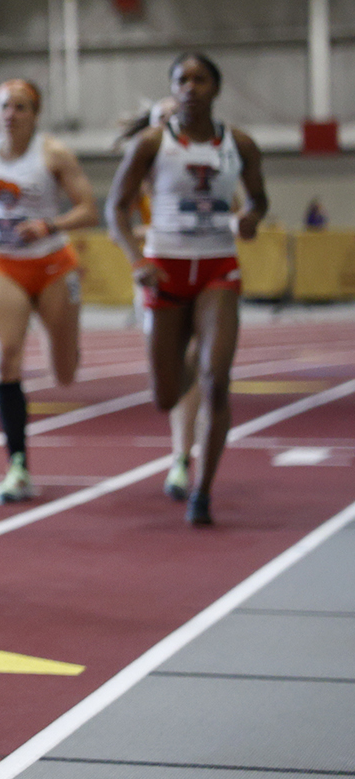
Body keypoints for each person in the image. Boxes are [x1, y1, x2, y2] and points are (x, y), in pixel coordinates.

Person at [107, 52, 269, 525]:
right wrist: (136, 260)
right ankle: (192, 364)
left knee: (217, 380)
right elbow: (115, 209)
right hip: (165, 268)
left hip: (219, 269)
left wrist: (252, 218)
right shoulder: (152, 143)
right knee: (165, 396)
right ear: (172, 89)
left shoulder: (239, 144)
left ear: (216, 89)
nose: (191, 87)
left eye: (200, 79)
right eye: (182, 80)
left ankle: (203, 492)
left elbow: (259, 198)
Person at [0, 80, 95, 503]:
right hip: (5, 265)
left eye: (20, 107)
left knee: (64, 373)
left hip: (52, 265)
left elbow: (88, 208)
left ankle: (67, 343)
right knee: (4, 358)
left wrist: (50, 225)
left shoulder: (53, 155)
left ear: (36, 113)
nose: (10, 114)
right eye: (4, 106)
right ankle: (17, 465)